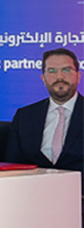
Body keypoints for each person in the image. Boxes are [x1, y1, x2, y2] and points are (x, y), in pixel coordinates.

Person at [6, 48, 82, 177]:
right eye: (52, 71)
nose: (59, 77)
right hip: (33, 186)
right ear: (43, 78)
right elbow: (12, 165)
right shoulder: (25, 116)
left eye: (66, 70)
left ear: (78, 76)